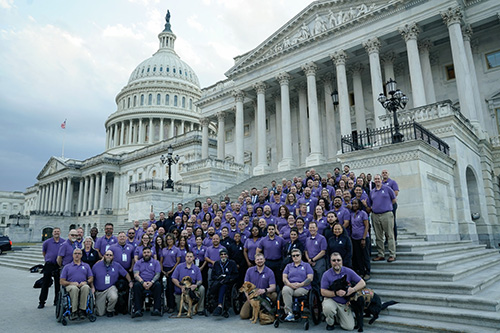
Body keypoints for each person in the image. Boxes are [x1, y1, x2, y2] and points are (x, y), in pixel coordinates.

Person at [321, 252, 366, 331]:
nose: (336, 262)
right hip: (332, 299)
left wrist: (353, 289)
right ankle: (330, 323)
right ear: (330, 262)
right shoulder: (326, 274)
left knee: (349, 327)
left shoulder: (348, 271)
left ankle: (338, 317)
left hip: (344, 303)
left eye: (338, 260)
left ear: (342, 261)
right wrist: (336, 293)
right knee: (328, 308)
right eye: (334, 260)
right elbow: (323, 292)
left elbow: (362, 283)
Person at [92, 250, 132, 317]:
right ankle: (104, 305)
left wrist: (130, 282)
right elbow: (91, 278)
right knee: (100, 313)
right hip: (100, 291)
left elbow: (126, 274)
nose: (108, 256)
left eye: (110, 255)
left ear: (113, 257)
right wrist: (92, 287)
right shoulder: (96, 266)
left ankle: (110, 310)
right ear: (104, 256)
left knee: (114, 297)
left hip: (111, 288)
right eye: (107, 255)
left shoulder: (117, 265)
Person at [368, 174, 397, 262]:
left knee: (389, 235)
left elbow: (394, 200)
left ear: (381, 180)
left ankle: (392, 254)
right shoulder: (372, 192)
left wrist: (386, 206)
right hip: (375, 215)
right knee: (378, 236)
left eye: (378, 179)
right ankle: (381, 254)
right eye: (375, 179)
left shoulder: (387, 189)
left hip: (386, 214)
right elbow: (370, 203)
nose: (377, 180)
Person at [240, 253, 277, 320]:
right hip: (252, 296)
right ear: (255, 261)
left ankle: (266, 310)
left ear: (264, 260)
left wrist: (264, 290)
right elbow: (245, 286)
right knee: (243, 315)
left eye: (261, 259)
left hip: (264, 295)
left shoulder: (269, 271)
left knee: (274, 295)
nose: (259, 261)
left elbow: (273, 287)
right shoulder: (249, 271)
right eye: (257, 260)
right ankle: (255, 311)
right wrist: (248, 297)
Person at [60, 248, 94, 320]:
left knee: (86, 287)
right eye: (75, 253)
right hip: (70, 286)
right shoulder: (67, 267)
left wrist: (86, 282)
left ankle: (82, 310)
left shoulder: (86, 266)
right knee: (74, 289)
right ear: (72, 255)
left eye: (79, 254)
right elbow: (62, 281)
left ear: (81, 255)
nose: (77, 255)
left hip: (82, 284)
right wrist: (71, 283)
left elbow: (91, 278)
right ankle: (74, 311)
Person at [282, 249, 314, 321]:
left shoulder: (306, 265)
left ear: (301, 255)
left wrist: (301, 284)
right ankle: (290, 313)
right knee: (285, 290)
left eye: (297, 255)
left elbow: (310, 278)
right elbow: (284, 278)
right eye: (293, 256)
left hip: (303, 286)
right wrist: (290, 284)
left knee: (295, 293)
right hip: (290, 285)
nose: (295, 257)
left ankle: (296, 310)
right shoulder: (288, 266)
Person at [171, 251, 206, 315]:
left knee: (201, 288)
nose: (189, 258)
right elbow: (173, 278)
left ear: (193, 258)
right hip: (181, 290)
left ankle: (200, 309)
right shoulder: (179, 267)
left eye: (191, 257)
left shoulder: (196, 268)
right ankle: (189, 309)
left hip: (192, 290)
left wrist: (195, 285)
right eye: (187, 256)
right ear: (185, 258)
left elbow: (200, 280)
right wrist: (181, 287)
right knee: (180, 310)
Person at [38, 227, 65, 309]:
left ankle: (56, 300)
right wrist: (48, 259)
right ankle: (42, 301)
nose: (56, 233)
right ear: (53, 233)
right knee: (45, 283)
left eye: (58, 231)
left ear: (60, 233)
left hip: (58, 264)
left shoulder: (63, 242)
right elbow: (44, 252)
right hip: (49, 264)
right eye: (55, 231)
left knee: (58, 284)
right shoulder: (47, 242)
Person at [132, 247, 162, 317]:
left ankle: (156, 309)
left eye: (148, 252)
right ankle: (138, 310)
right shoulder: (138, 263)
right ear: (142, 254)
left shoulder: (156, 262)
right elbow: (136, 275)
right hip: (141, 283)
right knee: (136, 285)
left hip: (153, 283)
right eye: (145, 252)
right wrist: (143, 282)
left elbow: (158, 274)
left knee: (158, 285)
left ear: (151, 253)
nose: (146, 254)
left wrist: (151, 282)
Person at [209, 248, 238, 316]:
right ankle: (212, 305)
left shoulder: (232, 263)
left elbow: (236, 275)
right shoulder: (216, 263)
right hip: (218, 282)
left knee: (223, 286)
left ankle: (220, 305)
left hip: (228, 283)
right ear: (220, 256)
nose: (223, 256)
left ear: (227, 255)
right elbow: (213, 275)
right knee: (216, 286)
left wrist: (228, 278)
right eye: (221, 254)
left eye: (225, 254)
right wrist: (218, 278)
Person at [349, 199, 371, 280]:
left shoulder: (363, 213)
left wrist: (364, 238)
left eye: (356, 203)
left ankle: (367, 272)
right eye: (353, 203)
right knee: (358, 256)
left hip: (363, 237)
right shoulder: (351, 214)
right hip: (354, 238)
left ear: (359, 204)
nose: (354, 205)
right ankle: (361, 272)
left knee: (365, 256)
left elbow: (366, 226)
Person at [161, 233, 181, 313]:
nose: (169, 241)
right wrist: (162, 270)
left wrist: (171, 271)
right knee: (166, 289)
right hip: (164, 269)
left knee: (171, 288)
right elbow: (161, 261)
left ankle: (172, 306)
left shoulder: (176, 250)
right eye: (168, 239)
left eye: (171, 239)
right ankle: (167, 305)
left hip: (173, 269)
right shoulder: (164, 249)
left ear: (173, 240)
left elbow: (178, 262)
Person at [305, 221, 327, 289]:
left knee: (320, 280)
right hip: (309, 262)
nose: (312, 229)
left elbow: (323, 252)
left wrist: (313, 259)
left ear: (317, 228)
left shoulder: (322, 238)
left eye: (313, 227)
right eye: (310, 228)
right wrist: (309, 260)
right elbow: (305, 251)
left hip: (319, 262)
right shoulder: (307, 239)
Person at [382, 169, 400, 241]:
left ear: (388, 174)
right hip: (383, 206)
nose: (384, 174)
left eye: (385, 173)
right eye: (383, 173)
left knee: (392, 222)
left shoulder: (392, 182)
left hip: (391, 205)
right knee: (385, 223)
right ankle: (387, 239)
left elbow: (396, 193)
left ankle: (394, 239)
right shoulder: (381, 183)